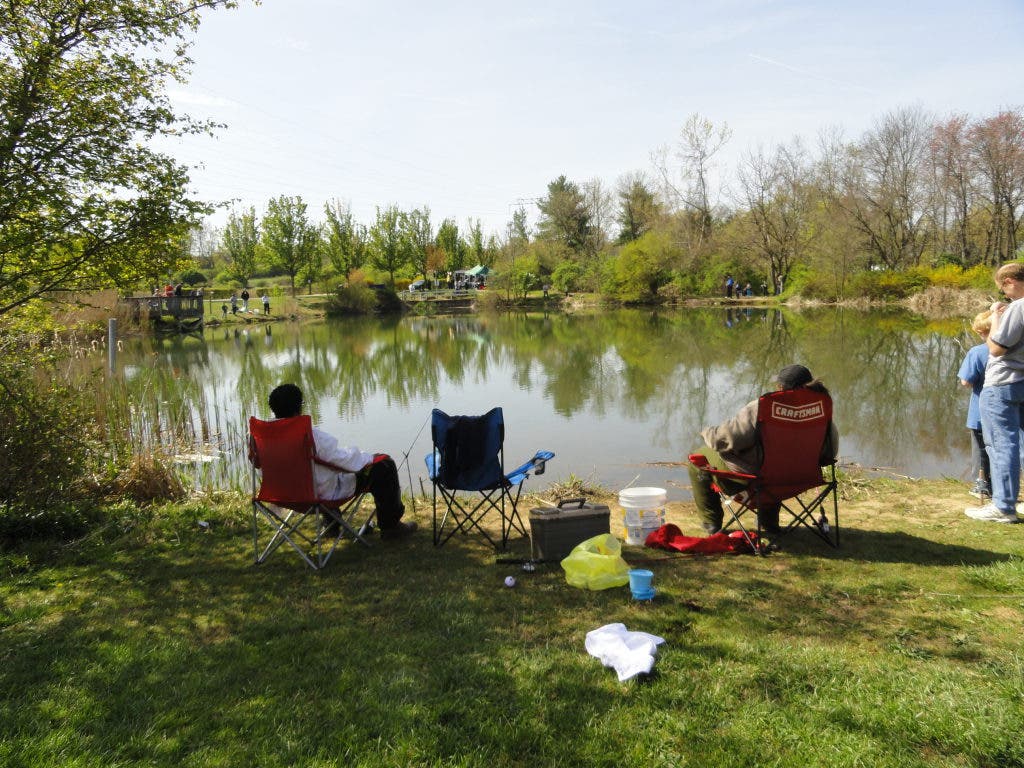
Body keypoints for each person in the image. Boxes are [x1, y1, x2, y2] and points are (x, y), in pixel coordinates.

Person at [688, 364, 839, 535]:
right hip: (801, 479)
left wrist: (707, 432)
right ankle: (769, 523)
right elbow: (830, 451)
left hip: (759, 479)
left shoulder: (763, 407)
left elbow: (722, 440)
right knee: (777, 464)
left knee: (698, 458)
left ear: (780, 387)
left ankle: (712, 523)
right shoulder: (820, 407)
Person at [263, 383, 416, 539]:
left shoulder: (261, 436)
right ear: (299, 407)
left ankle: (332, 526)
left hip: (283, 494)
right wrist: (371, 458)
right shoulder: (309, 435)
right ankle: (391, 527)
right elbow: (344, 461)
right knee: (384, 466)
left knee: (323, 474)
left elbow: (257, 463)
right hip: (317, 496)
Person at [967, 262, 1024, 523]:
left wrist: (998, 316)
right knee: (1019, 443)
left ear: (1010, 280)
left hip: (1003, 383)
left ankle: (1002, 506)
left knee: (1001, 444)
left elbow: (996, 347)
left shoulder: (1018, 307)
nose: (1005, 294)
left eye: (1004, 288)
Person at [957, 310, 993, 499]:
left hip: (980, 411)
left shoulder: (977, 352)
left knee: (980, 450)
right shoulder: (1015, 350)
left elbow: (966, 381)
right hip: (1009, 411)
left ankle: (981, 486)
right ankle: (1000, 487)